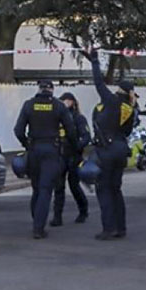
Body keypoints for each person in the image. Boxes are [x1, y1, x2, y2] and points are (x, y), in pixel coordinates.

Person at [13, 79, 78, 239]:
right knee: (45, 189)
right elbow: (70, 130)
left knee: (36, 188)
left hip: (34, 150)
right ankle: (38, 228)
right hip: (51, 150)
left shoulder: (29, 105)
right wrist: (74, 148)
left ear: (39, 89)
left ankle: (36, 219)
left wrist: (27, 144)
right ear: (52, 90)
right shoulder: (58, 106)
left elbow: (18, 130)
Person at [84, 49, 136, 240]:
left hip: (107, 150)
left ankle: (109, 228)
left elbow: (98, 83)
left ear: (118, 90)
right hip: (121, 149)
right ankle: (121, 227)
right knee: (116, 189)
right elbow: (128, 131)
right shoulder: (130, 107)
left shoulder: (112, 101)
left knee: (103, 189)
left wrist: (95, 61)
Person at [51, 93, 91, 226]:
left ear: (73, 102)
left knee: (74, 185)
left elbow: (86, 136)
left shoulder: (78, 118)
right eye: (62, 101)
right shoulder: (58, 118)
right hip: (60, 155)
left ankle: (83, 210)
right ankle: (57, 216)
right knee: (59, 186)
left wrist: (78, 146)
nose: (64, 103)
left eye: (67, 100)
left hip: (74, 156)